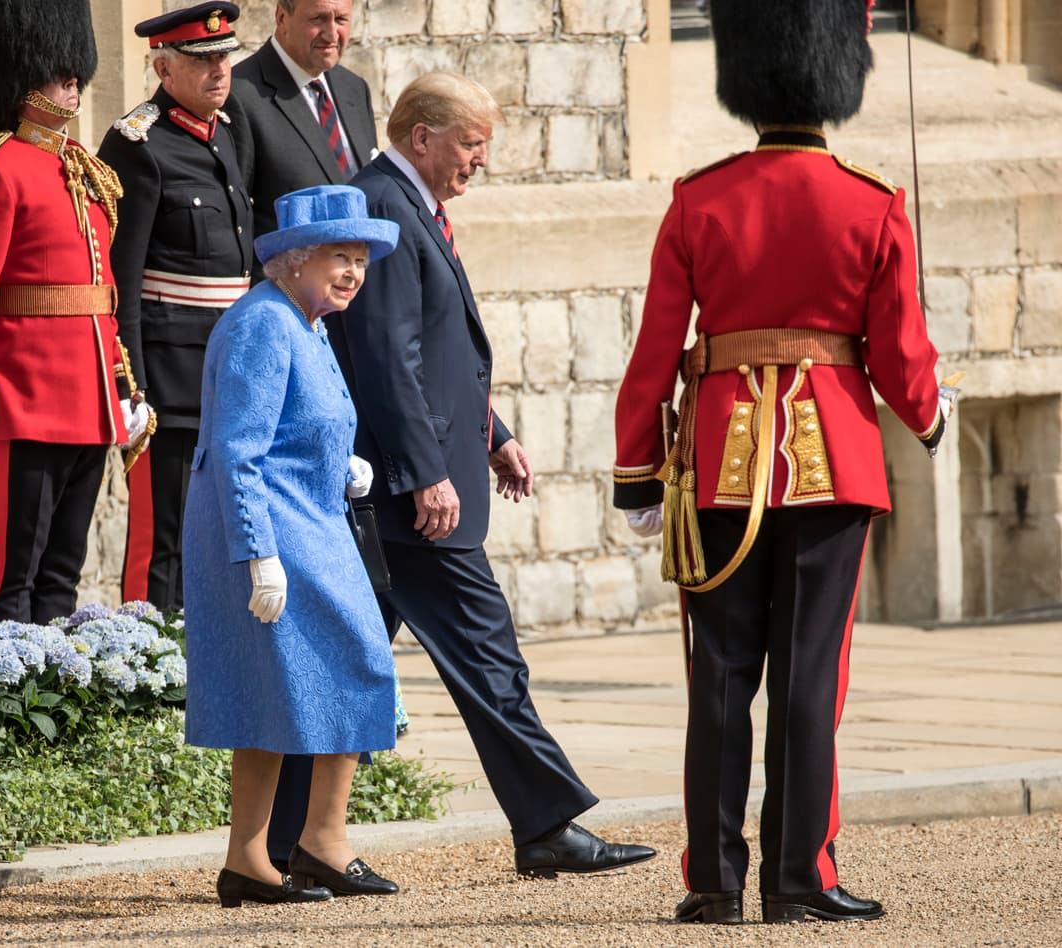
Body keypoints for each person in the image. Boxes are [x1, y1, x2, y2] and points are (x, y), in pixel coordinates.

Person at [612, 0, 954, 925]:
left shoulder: (700, 197)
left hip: (719, 462)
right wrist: (929, 417)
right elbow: (898, 352)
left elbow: (653, 351)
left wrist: (638, 469)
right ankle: (800, 874)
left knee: (720, 675)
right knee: (810, 675)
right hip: (832, 463)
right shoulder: (871, 201)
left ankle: (715, 880)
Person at [326, 72, 657, 878]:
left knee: (347, 667)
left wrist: (492, 435)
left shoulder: (406, 203)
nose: (480, 160)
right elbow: (384, 358)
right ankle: (546, 824)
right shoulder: (382, 206)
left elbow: (439, 354)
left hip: (418, 480)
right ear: (422, 138)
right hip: (412, 503)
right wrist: (425, 473)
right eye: (472, 143)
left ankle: (294, 842)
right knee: (487, 653)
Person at [182, 185, 402, 907]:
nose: (353, 273)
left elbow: (296, 429)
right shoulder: (264, 325)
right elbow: (239, 451)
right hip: (274, 528)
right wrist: (258, 553)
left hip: (313, 518)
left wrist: (343, 465)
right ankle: (289, 850)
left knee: (321, 675)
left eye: (360, 260)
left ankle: (289, 851)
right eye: (340, 257)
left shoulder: (305, 322)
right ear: (297, 259)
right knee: (318, 672)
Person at [0, 0, 149, 624]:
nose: (72, 79)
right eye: (57, 70)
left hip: (90, 402)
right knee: (14, 577)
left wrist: (122, 387)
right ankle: (5, 710)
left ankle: (53, 709)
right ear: (21, 75)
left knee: (60, 579)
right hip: (27, 399)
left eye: (74, 69)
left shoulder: (82, 173)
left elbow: (104, 297)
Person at [97, 2, 253, 614]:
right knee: (163, 542)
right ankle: (149, 678)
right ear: (164, 68)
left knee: (217, 538)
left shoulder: (228, 131)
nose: (220, 71)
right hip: (167, 375)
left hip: (228, 370)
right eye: (203, 60)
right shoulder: (137, 144)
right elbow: (120, 280)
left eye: (225, 58)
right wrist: (128, 382)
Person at [226, 0, 377, 263]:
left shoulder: (354, 88)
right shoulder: (240, 95)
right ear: (282, 17)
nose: (331, 35)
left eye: (341, 20)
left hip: (355, 286)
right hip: (289, 293)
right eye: (318, 19)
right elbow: (236, 222)